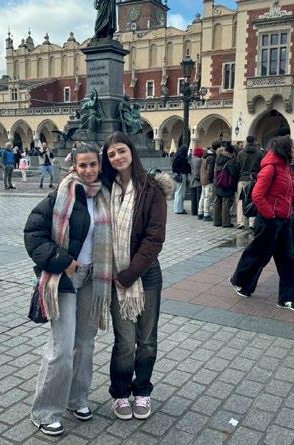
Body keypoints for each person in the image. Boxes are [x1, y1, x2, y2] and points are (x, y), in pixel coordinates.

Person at [24, 143, 113, 437]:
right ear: (74, 166)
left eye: (93, 165)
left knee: (85, 344)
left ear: (99, 166)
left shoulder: (105, 195)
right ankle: (45, 411)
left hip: (93, 278)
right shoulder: (61, 195)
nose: (88, 170)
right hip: (65, 279)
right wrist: (64, 261)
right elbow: (33, 234)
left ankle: (77, 399)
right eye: (83, 165)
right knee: (62, 347)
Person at [101, 132, 173, 422]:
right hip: (116, 276)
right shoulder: (104, 188)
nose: (117, 157)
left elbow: (155, 237)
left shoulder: (151, 188)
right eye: (111, 154)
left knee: (147, 340)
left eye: (121, 151)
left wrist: (130, 274)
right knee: (124, 341)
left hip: (145, 275)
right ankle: (120, 393)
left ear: (131, 151)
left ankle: (142, 390)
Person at [230, 136, 294, 312]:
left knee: (288, 259)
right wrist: (271, 214)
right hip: (270, 221)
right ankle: (240, 281)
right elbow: (257, 195)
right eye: (292, 147)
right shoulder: (271, 168)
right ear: (284, 149)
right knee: (259, 255)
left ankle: (288, 298)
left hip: (285, 221)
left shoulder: (287, 169)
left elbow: (293, 195)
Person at [236, 136, 264, 229]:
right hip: (254, 179)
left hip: (242, 178)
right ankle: (252, 222)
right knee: (253, 200)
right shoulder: (259, 153)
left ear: (246, 141)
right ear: (254, 141)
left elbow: (237, 166)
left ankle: (241, 222)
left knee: (241, 200)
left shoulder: (240, 153)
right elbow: (262, 167)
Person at [213, 142, 238, 228]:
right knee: (226, 204)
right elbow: (233, 173)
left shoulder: (217, 158)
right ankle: (226, 223)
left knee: (217, 202)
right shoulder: (230, 160)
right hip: (226, 184)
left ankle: (216, 221)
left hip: (217, 182)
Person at [198, 142, 217, 221]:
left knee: (202, 197)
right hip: (208, 180)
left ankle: (200, 212)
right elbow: (210, 170)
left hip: (203, 179)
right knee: (207, 197)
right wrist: (211, 179)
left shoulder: (203, 158)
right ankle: (206, 214)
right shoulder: (211, 158)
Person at [172, 145, 191, 214]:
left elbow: (173, 167)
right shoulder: (183, 158)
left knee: (177, 192)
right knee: (180, 193)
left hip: (176, 175)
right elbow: (186, 168)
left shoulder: (176, 157)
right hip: (181, 176)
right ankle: (179, 209)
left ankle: (177, 208)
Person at [189, 147, 204, 216]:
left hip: (192, 180)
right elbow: (198, 171)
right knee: (198, 197)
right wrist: (198, 178)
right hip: (198, 181)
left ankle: (193, 211)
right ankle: (198, 211)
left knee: (193, 197)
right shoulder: (200, 160)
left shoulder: (192, 159)